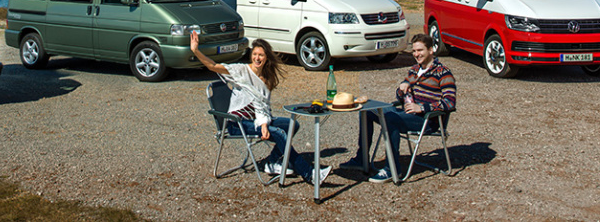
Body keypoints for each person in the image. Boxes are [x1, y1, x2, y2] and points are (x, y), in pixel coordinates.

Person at [191, 31, 331, 185]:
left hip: (257, 119)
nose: (257, 58)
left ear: (266, 58)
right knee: (278, 133)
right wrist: (196, 50)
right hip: (237, 123)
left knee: (293, 125)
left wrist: (264, 123)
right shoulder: (241, 71)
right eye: (255, 54)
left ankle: (272, 162)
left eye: (261, 55)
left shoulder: (267, 77)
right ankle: (309, 174)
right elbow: (212, 66)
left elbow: (262, 106)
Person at [339, 33, 456, 183]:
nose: (416, 54)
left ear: (431, 50)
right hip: (408, 114)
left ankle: (392, 169)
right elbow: (401, 97)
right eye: (414, 51)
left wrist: (422, 108)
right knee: (367, 112)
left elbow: (450, 102)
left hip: (428, 120)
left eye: (420, 50)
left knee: (390, 118)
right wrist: (402, 88)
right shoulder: (414, 70)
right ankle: (362, 159)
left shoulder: (443, 73)